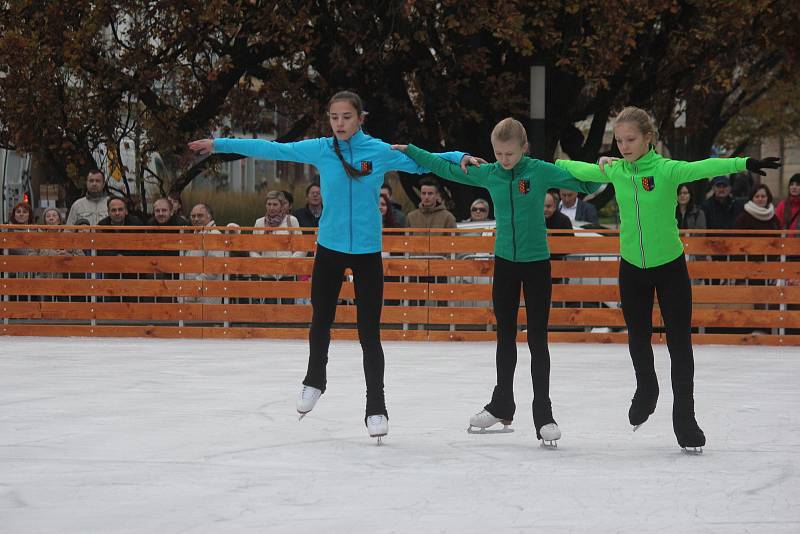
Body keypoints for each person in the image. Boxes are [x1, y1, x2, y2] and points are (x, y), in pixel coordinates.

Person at [188, 90, 471, 442]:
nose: (339, 123)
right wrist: (219, 145)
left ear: (360, 118)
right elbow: (274, 149)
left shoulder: (378, 152)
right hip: (330, 249)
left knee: (369, 332)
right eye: (334, 117)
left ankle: (376, 406)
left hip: (367, 252)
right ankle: (314, 380)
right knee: (321, 318)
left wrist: (458, 156)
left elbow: (422, 160)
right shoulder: (321, 148)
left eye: (347, 117)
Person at [555, 106, 781, 451]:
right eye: (618, 140)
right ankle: (647, 388)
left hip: (670, 268)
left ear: (649, 138)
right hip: (631, 268)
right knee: (638, 337)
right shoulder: (615, 170)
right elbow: (573, 167)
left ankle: (685, 418)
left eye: (631, 139)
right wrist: (548, 164)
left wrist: (744, 163)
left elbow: (703, 166)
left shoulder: (666, 170)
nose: (624, 146)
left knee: (679, 343)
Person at [394, 117, 600, 446]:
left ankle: (543, 414)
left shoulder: (539, 170)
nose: (504, 160)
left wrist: (602, 168)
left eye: (510, 154)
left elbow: (585, 183)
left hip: (536, 265)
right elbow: (446, 170)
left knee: (537, 340)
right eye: (498, 154)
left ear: (524, 148)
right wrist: (415, 151)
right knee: (505, 337)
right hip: (504, 263)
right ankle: (502, 403)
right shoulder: (491, 172)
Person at [251, 190, 306, 304]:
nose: (271, 207)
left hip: (288, 273)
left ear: (281, 206)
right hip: (267, 274)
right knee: (268, 310)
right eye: (269, 204)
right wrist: (263, 263)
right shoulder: (259, 223)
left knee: (288, 309)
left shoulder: (292, 221)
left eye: (275, 204)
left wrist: (290, 262)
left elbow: (301, 247)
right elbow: (253, 249)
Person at [184, 203, 224, 304]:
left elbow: (213, 268)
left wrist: (195, 284)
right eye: (193, 216)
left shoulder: (214, 235)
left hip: (206, 296)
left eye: (200, 215)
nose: (196, 219)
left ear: (209, 216)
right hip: (192, 295)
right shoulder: (196, 234)